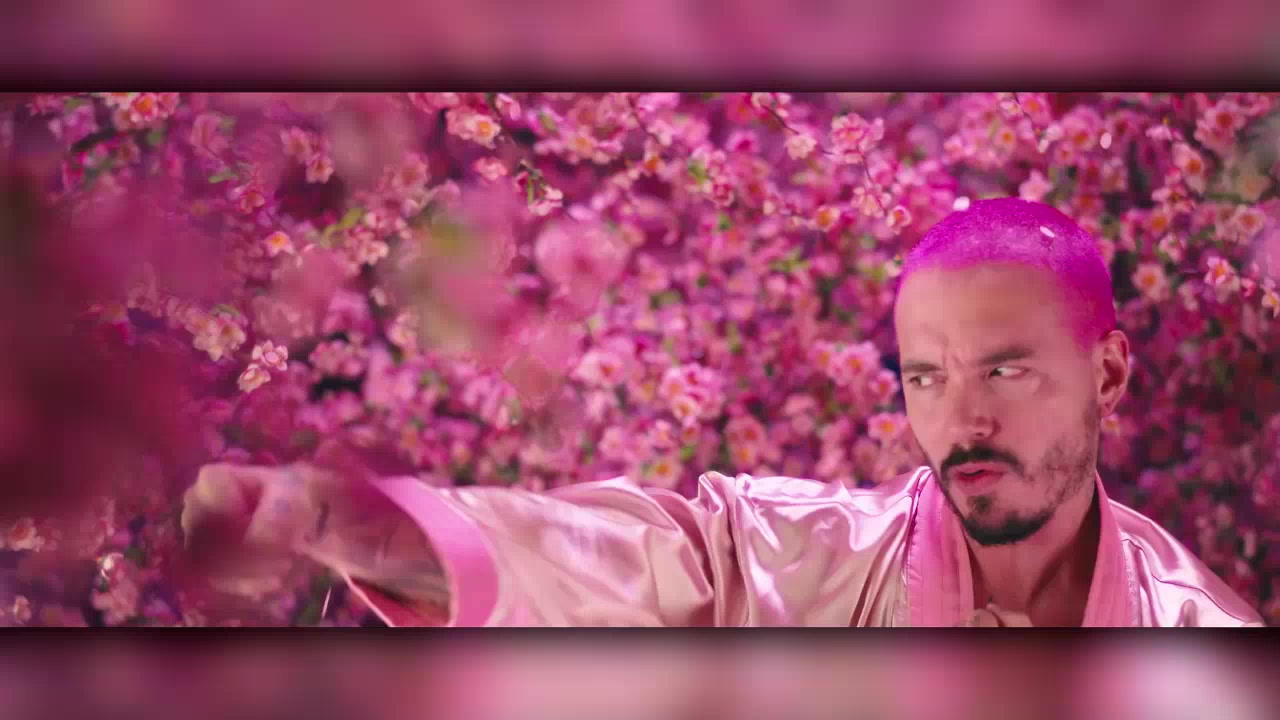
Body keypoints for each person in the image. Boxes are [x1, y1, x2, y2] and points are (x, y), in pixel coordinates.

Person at [181, 198, 1263, 627]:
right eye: (925, 376)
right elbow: (612, 562)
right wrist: (366, 528)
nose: (961, 419)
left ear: (1108, 374)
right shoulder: (802, 557)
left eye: (1005, 371)